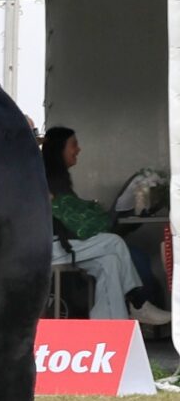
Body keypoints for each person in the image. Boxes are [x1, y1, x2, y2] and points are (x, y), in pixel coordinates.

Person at [42, 127, 170, 324]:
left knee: (110, 261)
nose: (78, 149)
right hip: (47, 248)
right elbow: (67, 223)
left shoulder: (57, 177)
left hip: (65, 246)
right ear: (59, 148)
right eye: (73, 144)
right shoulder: (43, 177)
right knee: (114, 242)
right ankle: (138, 303)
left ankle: (108, 327)